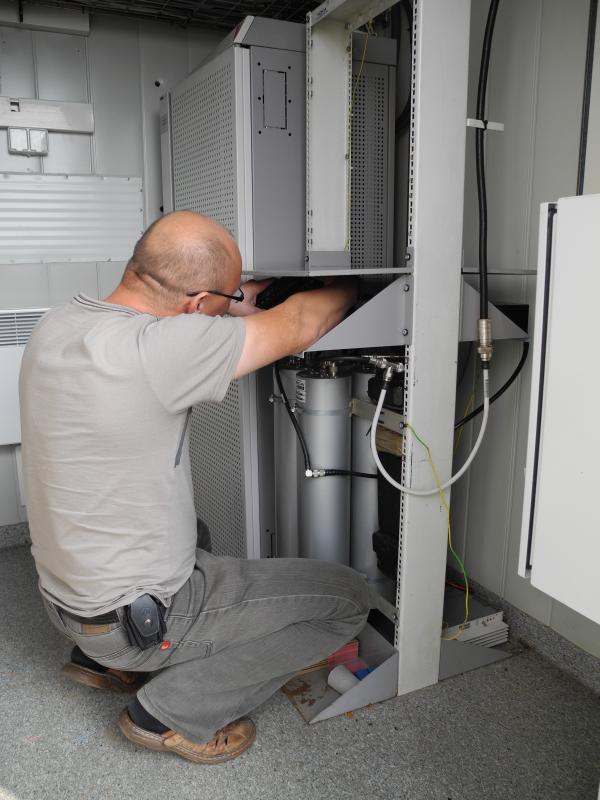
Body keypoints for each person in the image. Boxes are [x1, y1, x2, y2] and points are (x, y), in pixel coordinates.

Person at [19, 211, 370, 765]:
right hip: (130, 620)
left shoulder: (61, 323)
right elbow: (306, 321)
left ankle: (102, 662)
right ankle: (170, 711)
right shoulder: (162, 350)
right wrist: (354, 286)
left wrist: (230, 299)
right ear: (197, 304)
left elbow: (191, 311)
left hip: (67, 599)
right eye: (222, 299)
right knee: (347, 599)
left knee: (195, 528)